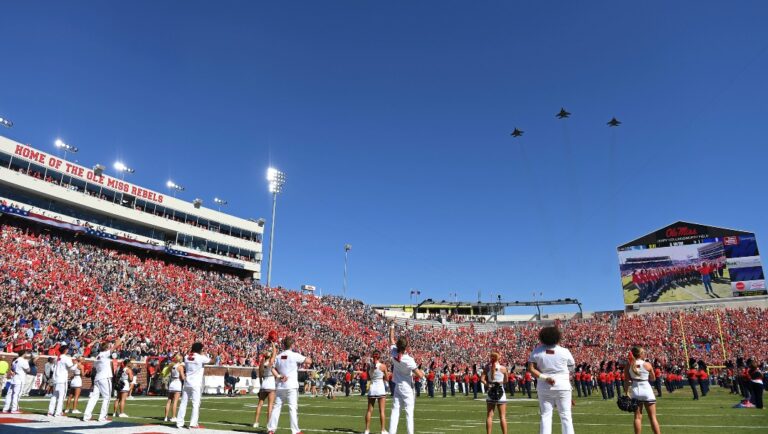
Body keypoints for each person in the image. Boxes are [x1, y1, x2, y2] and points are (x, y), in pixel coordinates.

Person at [527, 326, 575, 434]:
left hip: (544, 385)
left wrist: (545, 377)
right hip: (563, 385)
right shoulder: (565, 351)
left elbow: (531, 369)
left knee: (545, 416)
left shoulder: (537, 351)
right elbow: (571, 367)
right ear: (558, 337)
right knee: (566, 416)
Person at [267, 336, 312, 434]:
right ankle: (295, 431)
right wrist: (306, 357)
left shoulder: (279, 356)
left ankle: (271, 429)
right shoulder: (294, 355)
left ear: (283, 345)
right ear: (292, 345)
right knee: (292, 408)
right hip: (291, 385)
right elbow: (309, 361)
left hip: (280, 385)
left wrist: (279, 376)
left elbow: (271, 367)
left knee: (277, 407)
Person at [388, 323, 424, 434]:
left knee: (395, 411)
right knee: (409, 413)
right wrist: (422, 371)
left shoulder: (393, 352)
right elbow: (420, 375)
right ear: (406, 347)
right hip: (407, 387)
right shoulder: (408, 359)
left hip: (397, 385)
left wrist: (392, 326)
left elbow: (391, 338)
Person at [623, 346, 661, 434]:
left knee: (637, 417)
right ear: (640, 354)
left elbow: (627, 381)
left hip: (635, 390)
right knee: (652, 417)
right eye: (643, 353)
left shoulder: (629, 365)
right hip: (647, 390)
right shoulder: (647, 364)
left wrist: (626, 393)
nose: (644, 354)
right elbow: (653, 379)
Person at [83, 337, 122, 422]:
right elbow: (115, 347)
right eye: (108, 346)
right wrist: (119, 341)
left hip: (98, 378)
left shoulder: (98, 356)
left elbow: (95, 368)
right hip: (105, 378)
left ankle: (86, 416)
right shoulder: (104, 354)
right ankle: (102, 417)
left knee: (93, 398)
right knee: (106, 397)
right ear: (106, 348)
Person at [176, 342, 211, 429]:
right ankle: (193, 423)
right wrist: (213, 353)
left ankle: (179, 422)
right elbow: (213, 361)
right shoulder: (200, 357)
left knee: (183, 403)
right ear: (199, 349)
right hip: (196, 383)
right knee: (195, 404)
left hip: (187, 382)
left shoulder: (186, 357)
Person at [253, 332, 278, 428]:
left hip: (263, 384)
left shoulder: (262, 363)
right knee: (270, 406)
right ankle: (268, 424)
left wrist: (260, 385)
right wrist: (272, 343)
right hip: (271, 384)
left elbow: (260, 376)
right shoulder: (270, 362)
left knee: (259, 404)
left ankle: (255, 422)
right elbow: (274, 353)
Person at [481, 352, 508, 434]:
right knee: (502, 417)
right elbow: (506, 380)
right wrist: (499, 383)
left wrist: (488, 384)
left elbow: (482, 379)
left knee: (489, 416)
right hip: (500, 390)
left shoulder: (487, 368)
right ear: (498, 358)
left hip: (491, 390)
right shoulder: (503, 368)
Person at [363, 350, 388, 434]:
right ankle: (383, 430)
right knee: (382, 411)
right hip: (380, 387)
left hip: (372, 388)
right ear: (379, 356)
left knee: (369, 410)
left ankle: (367, 430)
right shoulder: (383, 366)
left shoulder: (369, 366)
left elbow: (368, 378)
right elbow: (387, 378)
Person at [48, 344, 74, 417]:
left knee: (54, 396)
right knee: (61, 396)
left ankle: (50, 411)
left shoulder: (57, 358)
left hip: (56, 379)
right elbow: (71, 367)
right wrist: (76, 364)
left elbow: (52, 368)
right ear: (65, 350)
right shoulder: (66, 358)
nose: (68, 350)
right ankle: (58, 412)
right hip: (62, 380)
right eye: (67, 349)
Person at [2, 350, 32, 414]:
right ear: (24, 354)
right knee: (17, 394)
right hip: (20, 379)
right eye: (26, 353)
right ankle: (14, 409)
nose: (27, 354)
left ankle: (5, 408)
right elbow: (28, 370)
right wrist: (28, 364)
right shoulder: (23, 361)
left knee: (9, 394)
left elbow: (13, 369)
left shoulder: (15, 360)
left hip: (14, 378)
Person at [164, 354, 185, 422]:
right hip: (177, 383)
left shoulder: (172, 366)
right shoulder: (180, 367)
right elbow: (182, 377)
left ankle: (166, 417)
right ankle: (173, 417)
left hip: (172, 383)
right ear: (180, 359)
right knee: (175, 401)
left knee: (169, 401)